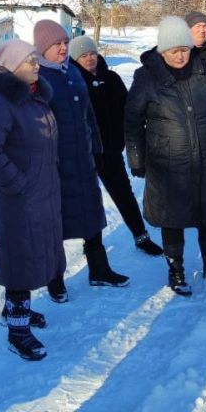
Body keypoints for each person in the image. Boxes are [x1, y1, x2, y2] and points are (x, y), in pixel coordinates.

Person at [124, 16, 206, 295]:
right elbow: (132, 120)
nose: (181, 55)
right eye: (174, 51)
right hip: (166, 163)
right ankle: (176, 272)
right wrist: (136, 158)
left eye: (184, 49)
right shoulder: (147, 77)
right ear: (162, 51)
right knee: (171, 219)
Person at [0, 40, 65, 361]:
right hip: (17, 197)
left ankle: (20, 310)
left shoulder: (34, 96)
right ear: (12, 66)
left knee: (35, 252)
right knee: (19, 256)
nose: (36, 64)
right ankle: (17, 329)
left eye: (35, 59)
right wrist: (16, 183)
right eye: (29, 61)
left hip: (39, 191)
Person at [33, 19, 129, 301]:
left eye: (65, 43)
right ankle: (55, 279)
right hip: (56, 165)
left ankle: (99, 269)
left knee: (91, 215)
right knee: (56, 222)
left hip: (84, 159)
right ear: (42, 48)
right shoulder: (38, 79)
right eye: (56, 44)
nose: (63, 49)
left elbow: (89, 117)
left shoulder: (72, 74)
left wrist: (97, 148)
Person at [68, 34, 163, 256]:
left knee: (124, 194)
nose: (90, 58)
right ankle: (91, 248)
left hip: (109, 150)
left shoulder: (112, 79)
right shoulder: (72, 82)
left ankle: (141, 237)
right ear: (75, 59)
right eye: (83, 56)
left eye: (92, 53)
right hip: (83, 153)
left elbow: (129, 111)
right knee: (87, 202)